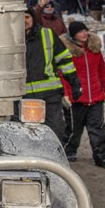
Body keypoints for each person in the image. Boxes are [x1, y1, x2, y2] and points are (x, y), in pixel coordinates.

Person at [60, 22, 105, 169]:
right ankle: (66, 152)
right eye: (80, 32)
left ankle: (103, 157)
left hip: (95, 97)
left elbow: (102, 70)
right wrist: (66, 94)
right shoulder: (67, 52)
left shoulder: (94, 49)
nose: (84, 34)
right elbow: (62, 75)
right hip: (76, 98)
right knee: (73, 129)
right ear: (73, 35)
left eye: (85, 31)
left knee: (97, 128)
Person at [24, 9, 81, 140]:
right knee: (26, 133)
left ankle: (53, 157)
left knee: (56, 130)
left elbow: (64, 59)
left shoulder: (47, 34)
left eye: (27, 17)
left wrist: (74, 82)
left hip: (50, 94)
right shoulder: (10, 37)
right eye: (20, 18)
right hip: (23, 95)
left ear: (33, 18)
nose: (24, 21)